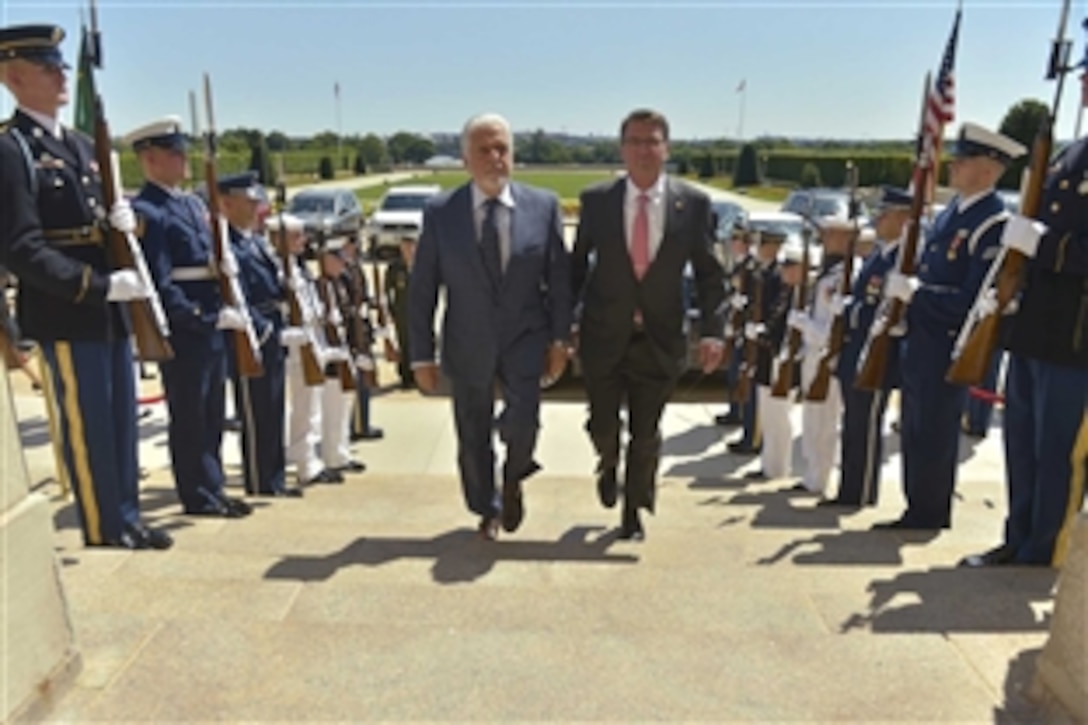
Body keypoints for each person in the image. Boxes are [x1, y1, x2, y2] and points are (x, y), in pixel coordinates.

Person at [0, 24, 172, 549]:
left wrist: (129, 226)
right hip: (69, 309)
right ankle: (104, 525)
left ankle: (128, 515)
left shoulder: (79, 146)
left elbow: (102, 223)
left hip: (109, 308)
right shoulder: (13, 151)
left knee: (121, 420)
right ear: (13, 76)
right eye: (47, 67)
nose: (61, 74)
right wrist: (97, 286)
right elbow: (21, 248)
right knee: (89, 423)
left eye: (59, 64)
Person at [410, 112, 572, 541]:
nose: (495, 158)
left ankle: (515, 474)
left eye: (502, 149)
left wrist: (560, 339)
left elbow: (559, 280)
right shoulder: (441, 213)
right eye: (484, 150)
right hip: (467, 341)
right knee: (472, 436)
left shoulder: (544, 206)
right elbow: (423, 288)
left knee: (525, 424)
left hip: (526, 338)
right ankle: (487, 506)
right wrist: (421, 354)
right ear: (465, 160)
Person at [572, 108, 725, 540]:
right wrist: (563, 325)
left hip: (659, 339)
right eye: (635, 141)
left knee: (646, 433)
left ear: (666, 148)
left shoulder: (692, 205)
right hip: (604, 335)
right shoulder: (597, 201)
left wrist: (713, 331)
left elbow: (711, 274)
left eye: (652, 141)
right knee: (604, 424)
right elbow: (575, 268)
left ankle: (634, 510)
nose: (644, 150)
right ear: (622, 149)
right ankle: (607, 461)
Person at [960, 71, 1088, 567]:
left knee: (1058, 450)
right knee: (1022, 443)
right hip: (1036, 328)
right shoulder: (1071, 152)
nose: (1083, 82)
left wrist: (1044, 246)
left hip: (1076, 336)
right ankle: (1018, 536)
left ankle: (1047, 547)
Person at [874, 122, 1026, 531]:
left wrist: (917, 296)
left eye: (965, 161)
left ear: (990, 171)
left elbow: (972, 302)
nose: (954, 167)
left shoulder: (990, 224)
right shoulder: (950, 217)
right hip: (921, 339)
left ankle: (930, 512)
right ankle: (915, 507)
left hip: (948, 344)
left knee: (936, 432)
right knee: (915, 428)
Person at [129, 116, 252, 519]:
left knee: (213, 411)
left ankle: (212, 487)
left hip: (212, 322)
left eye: (183, 152)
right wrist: (200, 316)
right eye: (174, 153)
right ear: (149, 160)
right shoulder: (149, 210)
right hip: (187, 329)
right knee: (190, 414)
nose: (184, 160)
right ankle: (196, 493)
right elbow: (160, 283)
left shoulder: (190, 204)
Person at [819, 187, 912, 509]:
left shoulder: (902, 260)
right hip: (856, 350)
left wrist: (850, 309)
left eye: (885, 214)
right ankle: (850, 488)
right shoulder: (880, 255)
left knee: (866, 425)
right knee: (854, 425)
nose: (879, 220)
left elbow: (885, 309)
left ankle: (861, 491)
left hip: (876, 354)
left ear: (903, 219)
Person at [217, 171, 300, 498]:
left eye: (257, 202)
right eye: (249, 202)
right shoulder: (229, 245)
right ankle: (260, 477)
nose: (257, 208)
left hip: (272, 325)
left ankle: (274, 476)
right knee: (256, 410)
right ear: (227, 203)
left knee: (274, 407)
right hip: (254, 334)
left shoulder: (253, 241)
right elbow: (235, 295)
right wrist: (265, 331)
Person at [273, 214, 343, 486]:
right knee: (304, 405)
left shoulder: (298, 267)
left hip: (311, 338)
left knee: (312, 403)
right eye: (296, 236)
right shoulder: (279, 269)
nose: (303, 241)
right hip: (296, 344)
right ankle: (304, 462)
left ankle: (310, 459)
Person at [789, 218, 855, 495]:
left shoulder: (842, 277)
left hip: (826, 353)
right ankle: (811, 474)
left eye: (831, 234)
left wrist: (804, 325)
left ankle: (821, 477)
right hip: (813, 352)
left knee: (825, 421)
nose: (825, 239)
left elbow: (832, 327)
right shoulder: (826, 273)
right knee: (812, 419)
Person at [745, 237, 800, 481]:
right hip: (770, 360)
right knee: (769, 417)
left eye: (790, 266)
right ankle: (770, 465)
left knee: (780, 418)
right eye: (784, 265)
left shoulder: (800, 297)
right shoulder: (785, 293)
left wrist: (764, 334)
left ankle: (779, 466)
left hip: (785, 362)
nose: (784, 270)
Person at [728, 229, 781, 456]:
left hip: (763, 342)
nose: (759, 249)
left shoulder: (777, 275)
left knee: (758, 393)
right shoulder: (759, 271)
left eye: (763, 245)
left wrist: (762, 329)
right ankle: (749, 434)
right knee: (746, 385)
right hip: (750, 335)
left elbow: (775, 309)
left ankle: (755, 438)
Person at [316, 240, 365, 476]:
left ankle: (342, 453)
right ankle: (331, 456)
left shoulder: (340, 284)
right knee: (331, 408)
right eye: (335, 260)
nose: (340, 265)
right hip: (331, 357)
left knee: (344, 407)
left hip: (346, 352)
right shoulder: (318, 287)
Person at [339, 234, 383, 442]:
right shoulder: (343, 271)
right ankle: (354, 426)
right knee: (355, 381)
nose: (354, 248)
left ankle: (362, 423)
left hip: (362, 330)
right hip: (351, 333)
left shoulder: (354, 267)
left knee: (365, 380)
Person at [716, 221, 754, 428]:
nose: (732, 243)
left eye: (736, 239)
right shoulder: (739, 264)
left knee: (739, 371)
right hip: (736, 324)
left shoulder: (749, 266)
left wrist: (742, 305)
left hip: (745, 327)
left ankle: (739, 411)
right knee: (732, 371)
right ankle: (734, 410)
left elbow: (753, 297)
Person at [385, 232, 416, 389]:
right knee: (404, 343)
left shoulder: (422, 265)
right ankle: (405, 377)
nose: (408, 250)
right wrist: (389, 309)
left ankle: (417, 375)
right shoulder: (395, 267)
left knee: (418, 343)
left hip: (419, 312)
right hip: (401, 311)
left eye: (411, 247)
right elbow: (387, 289)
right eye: (405, 247)